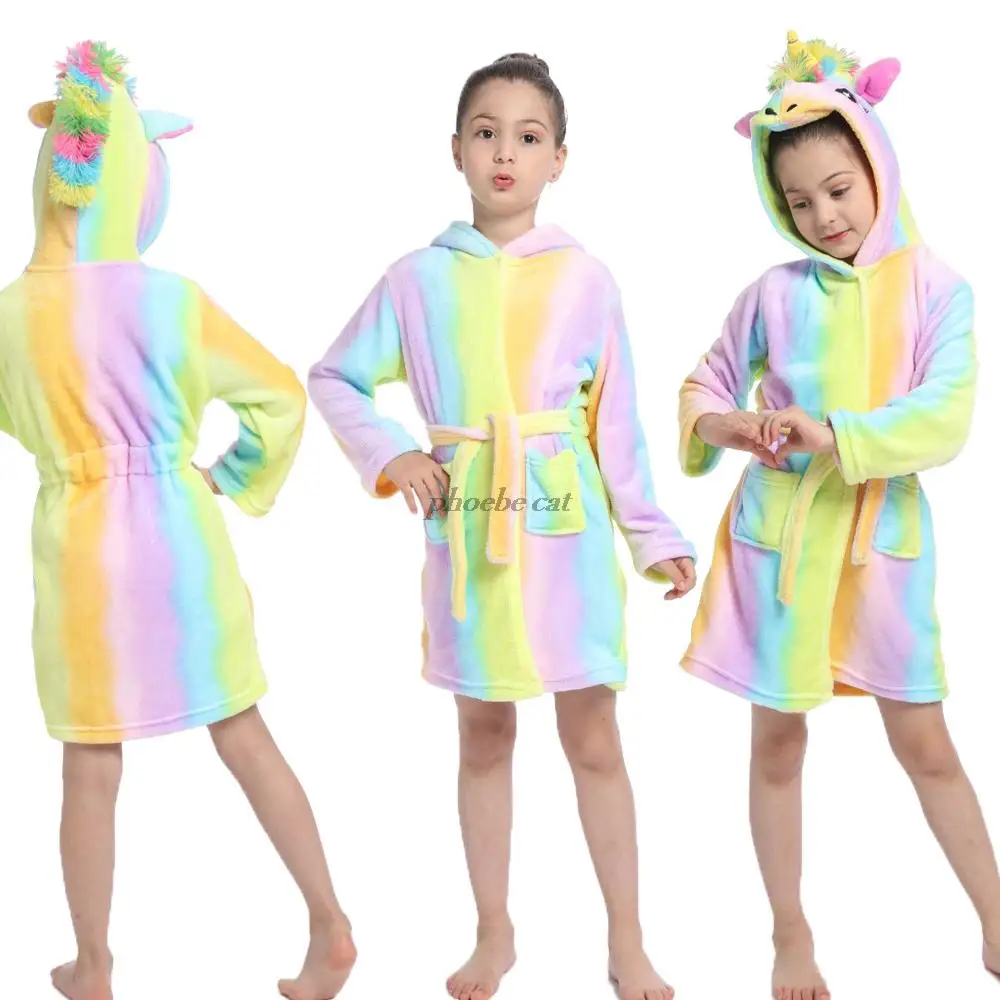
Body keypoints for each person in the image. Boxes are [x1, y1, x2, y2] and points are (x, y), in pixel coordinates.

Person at [308, 51, 695, 1000]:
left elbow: (616, 425)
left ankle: (628, 940)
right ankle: (494, 933)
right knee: (482, 733)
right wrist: (393, 454)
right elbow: (335, 376)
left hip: (567, 539)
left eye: (529, 136)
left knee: (593, 736)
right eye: (487, 133)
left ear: (560, 157)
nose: (505, 153)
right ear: (456, 150)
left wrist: (653, 535)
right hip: (471, 530)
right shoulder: (415, 278)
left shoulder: (586, 278)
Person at [0, 42, 354, 1000]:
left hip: (79, 560)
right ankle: (330, 925)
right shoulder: (170, 301)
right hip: (180, 544)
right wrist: (232, 476)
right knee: (243, 731)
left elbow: (16, 413)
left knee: (89, 760)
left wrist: (63, 442)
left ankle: (93, 964)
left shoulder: (10, 315)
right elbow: (278, 397)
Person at [678, 30, 999, 1000]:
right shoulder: (773, 294)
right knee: (778, 743)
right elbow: (704, 386)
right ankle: (791, 934)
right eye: (799, 202)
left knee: (924, 741)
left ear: (878, 169)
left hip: (879, 545)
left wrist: (838, 434)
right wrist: (730, 425)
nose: (823, 216)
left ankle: (995, 914)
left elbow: (944, 416)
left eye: (838, 190)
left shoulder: (939, 291)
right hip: (782, 542)